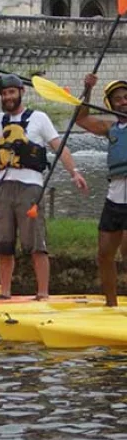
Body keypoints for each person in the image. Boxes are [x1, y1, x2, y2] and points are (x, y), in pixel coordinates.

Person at [0, 70, 88, 299]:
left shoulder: (39, 118)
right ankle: (5, 293)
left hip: (30, 188)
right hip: (3, 187)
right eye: (3, 94)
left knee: (36, 244)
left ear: (21, 92)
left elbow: (58, 146)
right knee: (4, 244)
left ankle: (42, 293)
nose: (8, 97)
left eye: (11, 92)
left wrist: (75, 173)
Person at [75, 75, 127, 306]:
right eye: (118, 99)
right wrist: (87, 90)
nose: (123, 102)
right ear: (111, 105)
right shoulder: (110, 128)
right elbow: (81, 118)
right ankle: (111, 305)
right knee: (105, 254)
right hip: (115, 194)